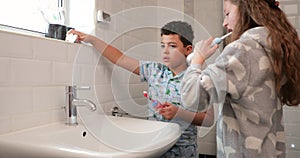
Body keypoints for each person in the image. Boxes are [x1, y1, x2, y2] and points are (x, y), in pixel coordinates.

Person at [69, 21, 212, 157]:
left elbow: (208, 120)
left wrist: (179, 113)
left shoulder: (198, 77)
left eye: (172, 46)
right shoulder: (153, 70)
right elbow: (120, 59)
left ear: (188, 50)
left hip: (183, 150)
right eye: (163, 46)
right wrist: (92, 39)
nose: (165, 51)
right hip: (154, 145)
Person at [181, 0, 300, 157]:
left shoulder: (242, 51)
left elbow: (192, 98)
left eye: (227, 13)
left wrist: (197, 61)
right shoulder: (275, 47)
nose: (224, 23)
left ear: (245, 9)